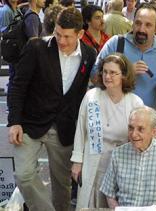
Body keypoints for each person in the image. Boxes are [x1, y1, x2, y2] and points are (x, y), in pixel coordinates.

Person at [7, 7, 96, 211]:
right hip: (30, 125)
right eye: (57, 34)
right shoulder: (36, 47)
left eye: (67, 36)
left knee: (62, 187)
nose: (61, 40)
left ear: (80, 34)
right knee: (24, 175)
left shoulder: (89, 55)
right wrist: (14, 122)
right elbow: (18, 85)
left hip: (64, 129)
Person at [70, 53, 143, 210]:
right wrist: (77, 162)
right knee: (89, 202)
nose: (107, 76)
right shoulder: (92, 97)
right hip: (93, 161)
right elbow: (81, 132)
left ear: (123, 75)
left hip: (122, 164)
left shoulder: (135, 102)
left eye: (113, 73)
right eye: (104, 71)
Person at [100, 106, 156, 208]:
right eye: (131, 128)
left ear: (154, 131)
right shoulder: (118, 153)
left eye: (140, 129)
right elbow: (109, 193)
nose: (134, 134)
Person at [93, 3, 156, 108]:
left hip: (145, 121)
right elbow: (94, 77)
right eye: (138, 23)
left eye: (148, 25)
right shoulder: (116, 44)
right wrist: (127, 73)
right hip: (114, 116)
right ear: (132, 23)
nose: (141, 29)